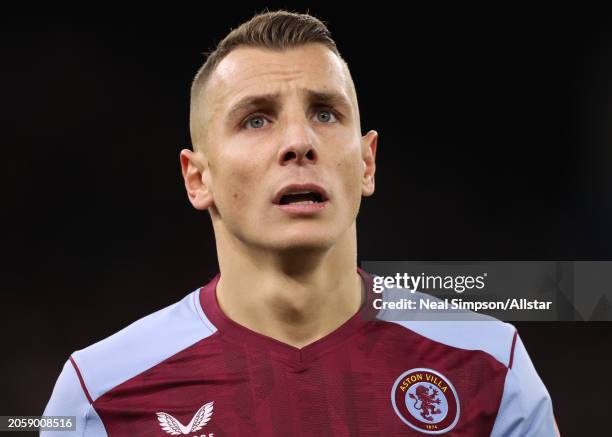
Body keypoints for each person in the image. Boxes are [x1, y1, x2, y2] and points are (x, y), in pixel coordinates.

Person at [42, 10, 559, 436]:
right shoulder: (99, 393)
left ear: (367, 163)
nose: (299, 141)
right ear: (197, 178)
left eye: (326, 113)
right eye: (256, 119)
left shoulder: (491, 366)